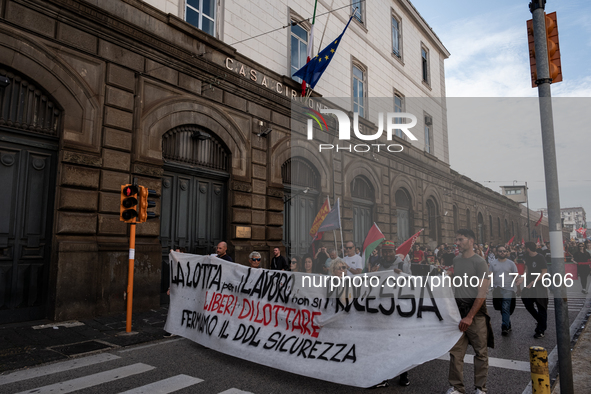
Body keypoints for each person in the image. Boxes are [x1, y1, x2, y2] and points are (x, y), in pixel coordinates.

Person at [446, 229, 492, 394]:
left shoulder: (479, 262)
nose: (457, 243)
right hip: (458, 312)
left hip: (475, 314)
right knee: (456, 353)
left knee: (480, 352)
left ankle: (480, 388)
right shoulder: (456, 260)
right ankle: (457, 387)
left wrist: (470, 316)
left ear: (471, 241)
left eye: (460, 240)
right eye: (456, 240)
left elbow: (482, 293)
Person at [489, 247, 521, 336]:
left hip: (508, 289)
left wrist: (518, 289)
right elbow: (490, 276)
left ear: (507, 252)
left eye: (504, 251)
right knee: (501, 309)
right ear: (497, 252)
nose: (502, 252)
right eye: (500, 251)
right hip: (497, 290)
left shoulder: (511, 263)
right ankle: (508, 324)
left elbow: (516, 276)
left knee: (505, 308)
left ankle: (504, 327)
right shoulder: (493, 263)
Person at [522, 241, 549, 339]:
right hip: (529, 285)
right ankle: (540, 321)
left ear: (528, 248)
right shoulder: (527, 257)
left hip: (539, 285)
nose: (524, 249)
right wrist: (522, 277)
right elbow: (527, 270)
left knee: (541, 307)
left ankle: (540, 330)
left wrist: (534, 281)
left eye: (525, 247)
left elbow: (544, 272)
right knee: (527, 302)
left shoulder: (540, 257)